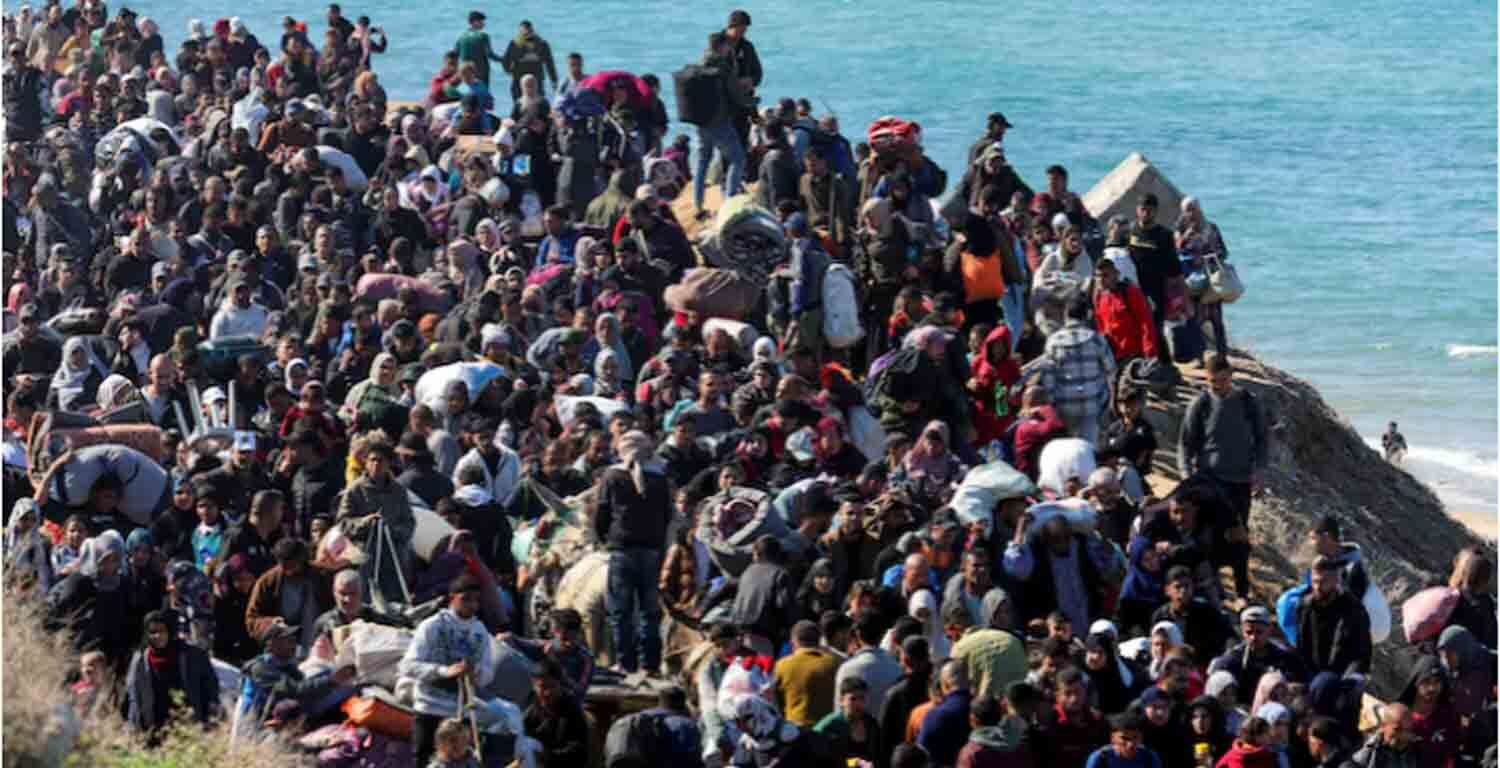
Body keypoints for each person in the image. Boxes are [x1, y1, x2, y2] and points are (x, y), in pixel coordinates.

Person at [1178, 354, 1267, 598]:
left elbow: (1262, 440)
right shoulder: (1201, 404)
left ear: (1231, 376)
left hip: (1240, 481)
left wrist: (1259, 471)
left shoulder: (1249, 402)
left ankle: (1242, 591)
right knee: (1209, 536)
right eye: (1213, 382)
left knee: (1238, 536)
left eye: (1223, 380)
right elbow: (1186, 444)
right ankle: (1213, 587)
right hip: (1210, 482)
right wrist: (1187, 476)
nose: (1218, 386)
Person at [400, 574, 498, 768]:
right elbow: (407, 666)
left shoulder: (480, 632)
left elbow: (488, 674)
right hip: (430, 709)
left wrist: (475, 673)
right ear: (452, 597)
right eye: (466, 599)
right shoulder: (431, 626)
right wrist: (445, 671)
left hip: (461, 714)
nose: (472, 605)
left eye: (476, 600)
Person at [595, 430, 672, 674]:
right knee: (650, 610)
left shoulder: (612, 476)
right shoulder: (659, 479)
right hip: (651, 550)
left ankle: (625, 663)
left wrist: (603, 538)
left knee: (621, 610)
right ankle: (650, 663)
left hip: (621, 549)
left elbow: (602, 512)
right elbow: (667, 515)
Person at [124, 609, 220, 737]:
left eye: (162, 631)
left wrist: (209, 721)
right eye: (153, 632)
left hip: (187, 726)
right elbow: (134, 697)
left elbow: (210, 688)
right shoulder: (140, 660)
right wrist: (133, 728)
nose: (158, 636)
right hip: (152, 730)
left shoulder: (193, 656)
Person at [691, 31, 756, 217]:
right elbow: (735, 94)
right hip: (719, 121)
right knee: (738, 158)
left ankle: (698, 204)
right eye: (727, 46)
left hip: (701, 121)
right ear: (722, 46)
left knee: (703, 161)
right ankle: (730, 200)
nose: (730, 49)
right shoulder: (722, 67)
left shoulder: (700, 64)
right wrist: (751, 102)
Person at [1042, 293, 1116, 445]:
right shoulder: (1096, 339)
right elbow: (1111, 370)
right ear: (1087, 315)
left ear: (1066, 315)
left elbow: (1048, 379)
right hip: (1092, 404)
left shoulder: (1053, 342)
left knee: (1069, 447)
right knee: (1089, 448)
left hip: (1065, 406)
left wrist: (1053, 405)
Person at [1126, 193, 1181, 365]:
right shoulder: (1131, 231)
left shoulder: (1164, 235)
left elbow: (1174, 268)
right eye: (1142, 209)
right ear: (1137, 210)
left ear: (1156, 212)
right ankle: (1140, 363)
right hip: (1133, 289)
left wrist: (1179, 296)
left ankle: (1166, 366)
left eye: (1149, 210)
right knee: (1134, 328)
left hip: (1156, 291)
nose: (1145, 214)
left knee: (1154, 329)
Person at [1294, 556, 1372, 678]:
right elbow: (1301, 644)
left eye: (1323, 582)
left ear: (1335, 581)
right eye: (1315, 582)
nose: (1318, 587)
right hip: (1311, 673)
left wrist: (1351, 677)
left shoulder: (1353, 609)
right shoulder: (1305, 606)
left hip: (1342, 676)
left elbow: (1362, 651)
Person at [523, 658, 592, 766]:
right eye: (542, 687)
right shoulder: (528, 710)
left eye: (552, 686)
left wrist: (546, 756)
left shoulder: (572, 709)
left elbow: (579, 752)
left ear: (560, 685)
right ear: (534, 686)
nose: (547, 692)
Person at [1038, 667, 1111, 768]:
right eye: (1067, 693)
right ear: (1057, 696)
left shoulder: (1098, 720)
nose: (1074, 699)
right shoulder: (1048, 725)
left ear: (1085, 692)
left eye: (1078, 692)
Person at [774, 619, 841, 727]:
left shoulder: (782, 665)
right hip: (827, 729)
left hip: (795, 730)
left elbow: (776, 702)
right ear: (819, 641)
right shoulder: (835, 663)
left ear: (794, 641)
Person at [837, 610, 905, 715]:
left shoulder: (846, 668)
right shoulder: (897, 668)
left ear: (858, 633)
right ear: (883, 635)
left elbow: (839, 712)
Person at [1093, 258, 1158, 364]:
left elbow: (1146, 323)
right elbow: (1101, 326)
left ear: (1116, 274)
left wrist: (1149, 352)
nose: (1100, 280)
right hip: (1112, 355)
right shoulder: (1098, 296)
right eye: (1097, 276)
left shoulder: (1130, 293)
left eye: (1105, 275)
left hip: (1134, 355)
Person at [918, 659, 976, 767]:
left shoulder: (934, 716)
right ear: (970, 681)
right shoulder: (985, 710)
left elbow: (921, 754)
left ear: (945, 684)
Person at [1345, 704, 1419, 768]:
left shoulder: (1411, 755)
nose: (1402, 735)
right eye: (1397, 729)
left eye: (1407, 730)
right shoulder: (1364, 744)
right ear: (1384, 725)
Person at [500, 20, 557, 102]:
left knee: (520, 105)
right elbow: (549, 64)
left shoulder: (515, 43)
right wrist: (554, 81)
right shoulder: (542, 43)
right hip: (535, 80)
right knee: (537, 104)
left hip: (520, 80)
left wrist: (509, 71)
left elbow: (505, 61)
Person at [1084, 711, 1162, 768]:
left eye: (1135, 737)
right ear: (1113, 739)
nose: (1130, 744)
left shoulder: (1150, 757)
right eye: (1124, 738)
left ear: (1141, 738)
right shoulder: (1100, 758)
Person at [453, 11, 503, 89]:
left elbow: (455, 55)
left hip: (465, 73)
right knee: (482, 96)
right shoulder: (483, 36)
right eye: (481, 21)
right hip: (481, 73)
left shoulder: (461, 37)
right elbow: (490, 54)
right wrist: (503, 60)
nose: (483, 24)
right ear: (474, 22)